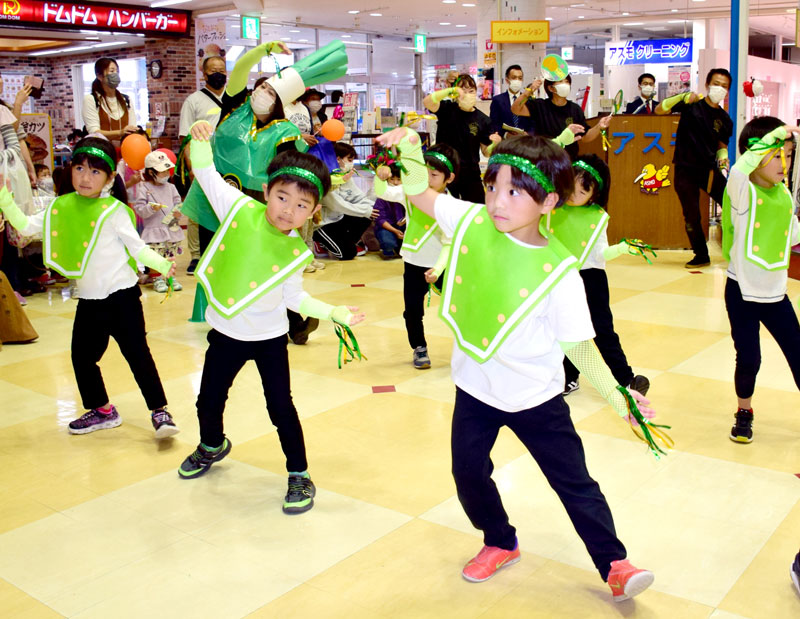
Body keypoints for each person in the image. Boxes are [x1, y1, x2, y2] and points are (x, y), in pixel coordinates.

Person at [377, 126, 658, 601]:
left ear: (549, 201)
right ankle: (499, 540)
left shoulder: (561, 273)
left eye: (513, 191)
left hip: (537, 398)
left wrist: (618, 397)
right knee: (467, 474)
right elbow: (420, 195)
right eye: (492, 187)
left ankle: (614, 563)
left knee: (574, 484)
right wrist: (408, 148)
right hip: (476, 390)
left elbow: (581, 349)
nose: (497, 202)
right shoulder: (469, 222)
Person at [178, 120, 365, 515]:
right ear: (266, 191)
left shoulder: (296, 252)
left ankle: (299, 473)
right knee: (208, 399)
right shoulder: (239, 209)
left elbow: (295, 298)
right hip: (225, 333)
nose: (288, 210)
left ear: (314, 212)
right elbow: (207, 174)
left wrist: (333, 312)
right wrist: (200, 144)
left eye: (301, 206)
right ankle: (212, 444)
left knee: (281, 408)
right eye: (282, 198)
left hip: (269, 339)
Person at [0, 137, 179, 438]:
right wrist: (5, 199)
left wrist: (162, 266)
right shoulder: (61, 207)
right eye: (80, 168)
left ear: (110, 178)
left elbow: (138, 249)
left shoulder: (115, 212)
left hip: (123, 297)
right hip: (90, 300)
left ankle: (159, 410)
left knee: (137, 354)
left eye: (95, 172)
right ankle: (102, 410)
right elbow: (27, 225)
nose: (85, 177)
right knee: (82, 357)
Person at [720, 118, 800, 443]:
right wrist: (775, 136)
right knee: (749, 356)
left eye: (790, 155)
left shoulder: (784, 196)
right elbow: (739, 170)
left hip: (775, 294)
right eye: (775, 153)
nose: (784, 162)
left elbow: (790, 235)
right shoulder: (742, 191)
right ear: (755, 154)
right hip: (741, 291)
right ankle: (744, 411)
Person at [547, 154, 650, 397]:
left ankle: (626, 379)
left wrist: (624, 248)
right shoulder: (552, 208)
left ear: (594, 195)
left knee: (602, 330)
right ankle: (569, 376)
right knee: (563, 328)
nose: (573, 194)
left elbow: (601, 253)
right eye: (571, 185)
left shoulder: (597, 217)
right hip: (560, 278)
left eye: (583, 191)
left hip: (591, 278)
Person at [376, 143, 459, 370]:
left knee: (459, 306)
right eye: (424, 172)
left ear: (449, 178)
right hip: (413, 263)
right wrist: (380, 174)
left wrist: (439, 268)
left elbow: (450, 243)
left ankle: (468, 346)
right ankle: (419, 347)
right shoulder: (410, 193)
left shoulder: (452, 206)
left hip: (443, 265)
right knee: (412, 309)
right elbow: (382, 191)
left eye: (434, 174)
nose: (427, 178)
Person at [655, 68, 733, 268]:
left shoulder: (725, 119)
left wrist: (723, 157)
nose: (720, 88)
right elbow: (659, 110)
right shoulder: (692, 105)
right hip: (684, 168)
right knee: (691, 214)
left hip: (708, 170)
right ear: (707, 85)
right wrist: (681, 97)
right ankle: (701, 254)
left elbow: (722, 146)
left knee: (733, 204)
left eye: (724, 86)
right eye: (716, 84)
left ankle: (737, 251)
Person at [178, 54, 228, 274]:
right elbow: (185, 137)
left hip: (228, 162)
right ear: (204, 73)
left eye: (222, 70)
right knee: (198, 208)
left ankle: (223, 250)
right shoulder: (194, 101)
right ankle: (196, 255)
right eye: (213, 70)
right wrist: (191, 167)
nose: (218, 74)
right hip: (203, 161)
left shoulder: (234, 99)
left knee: (223, 206)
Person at [423, 74, 498, 203]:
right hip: (445, 171)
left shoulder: (483, 120)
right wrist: (449, 91)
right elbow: (427, 102)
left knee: (477, 209)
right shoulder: (447, 109)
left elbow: (486, 152)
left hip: (471, 172)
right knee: (444, 210)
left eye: (471, 91)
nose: (467, 94)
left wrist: (495, 144)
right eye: (463, 90)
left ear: (476, 92)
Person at [511, 73, 610, 160]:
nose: (565, 85)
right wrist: (530, 90)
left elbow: (584, 136)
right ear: (551, 88)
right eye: (561, 82)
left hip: (568, 161)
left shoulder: (575, 109)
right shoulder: (539, 106)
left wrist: (598, 127)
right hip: (544, 158)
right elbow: (516, 109)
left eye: (567, 82)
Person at [131, 151, 185, 294]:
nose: (166, 173)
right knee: (156, 254)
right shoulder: (145, 188)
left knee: (170, 254)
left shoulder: (171, 187)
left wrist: (178, 212)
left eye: (167, 170)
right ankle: (157, 278)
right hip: (153, 229)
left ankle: (169, 277)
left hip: (171, 227)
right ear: (151, 172)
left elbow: (178, 203)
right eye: (162, 171)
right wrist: (150, 208)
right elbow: (140, 209)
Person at [313, 142, 375, 260]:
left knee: (371, 212)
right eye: (349, 159)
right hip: (324, 224)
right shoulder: (324, 177)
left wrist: (370, 208)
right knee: (347, 254)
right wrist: (365, 211)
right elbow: (337, 205)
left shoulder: (344, 175)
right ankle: (319, 241)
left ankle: (344, 242)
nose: (351, 163)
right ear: (338, 159)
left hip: (339, 218)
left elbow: (358, 197)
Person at [81, 58, 138, 145]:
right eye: (111, 71)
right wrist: (120, 132)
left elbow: (132, 127)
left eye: (117, 71)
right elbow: (94, 133)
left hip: (125, 150)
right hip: (102, 152)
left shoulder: (127, 100)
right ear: (99, 76)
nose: (115, 74)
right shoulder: (91, 99)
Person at [372, 163, 405, 259]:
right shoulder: (383, 195)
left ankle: (400, 248)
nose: (395, 183)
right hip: (388, 227)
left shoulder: (407, 192)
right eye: (392, 179)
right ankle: (388, 249)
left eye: (399, 179)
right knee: (388, 243)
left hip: (403, 225)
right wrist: (395, 231)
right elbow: (380, 218)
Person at [490, 65, 533, 135]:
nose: (517, 80)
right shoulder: (497, 100)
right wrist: (506, 135)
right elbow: (494, 123)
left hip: (525, 141)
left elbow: (533, 124)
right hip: (505, 142)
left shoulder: (529, 101)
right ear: (507, 80)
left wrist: (528, 134)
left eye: (520, 78)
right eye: (514, 78)